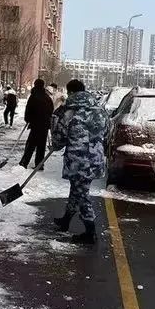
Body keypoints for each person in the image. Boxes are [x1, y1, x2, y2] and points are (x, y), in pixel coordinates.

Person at [50, 79, 108, 245]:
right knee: (77, 189)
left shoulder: (69, 112)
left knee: (81, 194)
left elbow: (59, 138)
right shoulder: (100, 110)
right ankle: (66, 220)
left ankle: (90, 231)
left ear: (70, 92)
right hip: (95, 159)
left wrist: (56, 144)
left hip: (78, 161)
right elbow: (106, 133)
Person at [21, 78, 54, 169]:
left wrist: (28, 119)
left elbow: (29, 109)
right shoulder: (47, 97)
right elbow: (51, 110)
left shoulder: (34, 96)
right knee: (41, 145)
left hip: (35, 124)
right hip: (44, 125)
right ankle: (39, 164)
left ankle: (24, 162)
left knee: (30, 144)